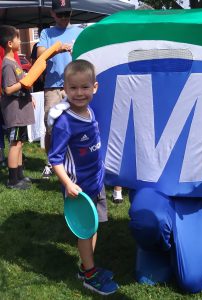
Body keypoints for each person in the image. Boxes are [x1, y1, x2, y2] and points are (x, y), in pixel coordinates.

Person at [48, 60, 118, 295]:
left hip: (95, 183)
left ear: (94, 87)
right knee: (86, 231)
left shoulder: (90, 111)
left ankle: (87, 268)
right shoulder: (65, 122)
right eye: (74, 88)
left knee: (94, 226)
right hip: (78, 190)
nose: (80, 93)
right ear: (65, 90)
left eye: (85, 87)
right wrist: (68, 184)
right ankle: (90, 276)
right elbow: (55, 158)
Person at [37, 0, 83, 179]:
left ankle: (75, 161)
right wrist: (57, 49)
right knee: (50, 126)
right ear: (53, 14)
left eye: (67, 13)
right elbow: (40, 54)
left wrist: (75, 51)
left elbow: (87, 55)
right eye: (61, 14)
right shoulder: (46, 33)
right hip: (53, 87)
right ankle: (51, 163)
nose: (64, 17)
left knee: (77, 125)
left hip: (75, 86)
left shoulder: (79, 32)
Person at [0, 25, 35, 189]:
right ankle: (13, 180)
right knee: (14, 144)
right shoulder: (7, 64)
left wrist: (29, 97)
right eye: (17, 38)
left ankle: (20, 175)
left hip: (21, 110)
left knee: (19, 143)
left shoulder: (15, 61)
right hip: (14, 112)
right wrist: (23, 82)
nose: (20, 41)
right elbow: (8, 88)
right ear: (9, 43)